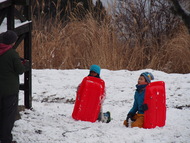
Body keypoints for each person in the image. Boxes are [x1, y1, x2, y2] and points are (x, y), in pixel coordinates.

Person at [0, 30, 29, 143]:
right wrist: (24, 63)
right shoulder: (12, 54)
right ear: (12, 42)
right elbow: (20, 70)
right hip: (10, 90)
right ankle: (6, 139)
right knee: (8, 115)